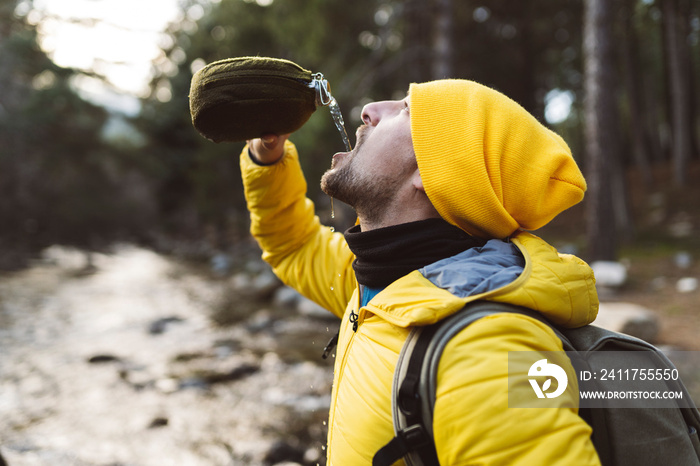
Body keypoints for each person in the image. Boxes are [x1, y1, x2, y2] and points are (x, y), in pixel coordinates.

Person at [242, 79, 600, 465]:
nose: (371, 110)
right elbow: (293, 246)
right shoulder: (383, 284)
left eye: (407, 110)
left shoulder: (484, 349)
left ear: (432, 174)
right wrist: (267, 155)